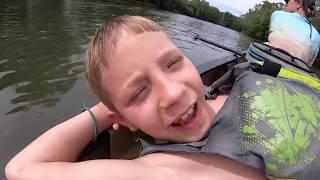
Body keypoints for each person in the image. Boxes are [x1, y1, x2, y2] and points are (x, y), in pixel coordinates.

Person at [5, 15, 320, 180]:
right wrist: (105, 112)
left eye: (173, 63)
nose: (172, 92)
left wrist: (120, 107)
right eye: (140, 91)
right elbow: (21, 169)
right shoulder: (165, 171)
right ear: (124, 120)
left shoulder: (235, 82)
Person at [268, 0, 320, 67]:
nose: (286, 5)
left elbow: (271, 37)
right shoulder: (317, 36)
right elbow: (307, 65)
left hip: (269, 66)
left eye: (287, 2)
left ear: (299, 3)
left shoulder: (277, 14)